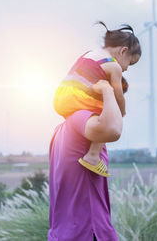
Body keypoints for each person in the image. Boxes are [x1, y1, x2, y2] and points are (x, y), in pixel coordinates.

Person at [53, 21, 141, 176]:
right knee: (108, 112)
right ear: (123, 51)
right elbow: (118, 95)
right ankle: (92, 156)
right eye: (130, 63)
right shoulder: (113, 66)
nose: (126, 68)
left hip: (62, 98)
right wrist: (122, 112)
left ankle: (92, 152)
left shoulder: (88, 54)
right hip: (79, 100)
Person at [48, 79, 125, 241]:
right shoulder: (80, 119)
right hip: (88, 232)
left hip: (63, 233)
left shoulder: (59, 130)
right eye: (115, 101)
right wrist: (107, 89)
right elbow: (111, 128)